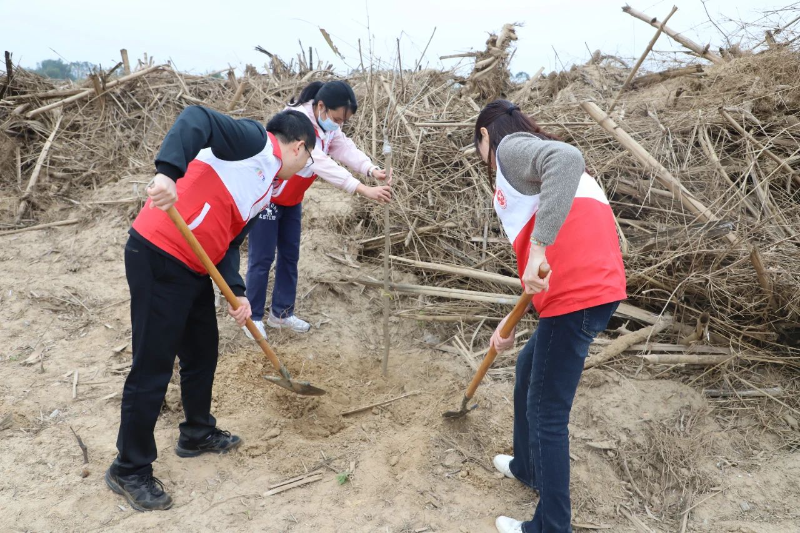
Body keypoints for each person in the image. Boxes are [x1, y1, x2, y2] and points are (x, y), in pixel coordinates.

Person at [105, 106, 316, 512]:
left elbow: (228, 241)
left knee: (202, 353)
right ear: (299, 146)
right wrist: (167, 173)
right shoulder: (255, 143)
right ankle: (129, 468)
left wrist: (236, 291)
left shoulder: (266, 186)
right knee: (153, 366)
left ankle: (196, 433)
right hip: (158, 253)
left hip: (194, 266)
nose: (305, 167)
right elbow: (195, 118)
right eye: (308, 159)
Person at [474, 100, 627, 533]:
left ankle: (551, 526)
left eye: (478, 147)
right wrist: (508, 329)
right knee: (526, 368)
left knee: (548, 412)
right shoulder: (536, 167)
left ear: (485, 135)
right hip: (584, 289)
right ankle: (528, 467)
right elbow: (537, 274)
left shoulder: (512, 149)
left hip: (577, 293)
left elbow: (569, 157)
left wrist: (538, 247)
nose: (483, 159)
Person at [244, 80, 391, 339]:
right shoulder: (297, 122)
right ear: (321, 107)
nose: (339, 125)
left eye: (344, 121)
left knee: (290, 256)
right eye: (336, 118)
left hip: (292, 198)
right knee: (262, 258)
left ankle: (282, 314)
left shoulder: (328, 128)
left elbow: (343, 146)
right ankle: (253, 317)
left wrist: (370, 169)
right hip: (268, 195)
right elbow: (319, 161)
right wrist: (362, 188)